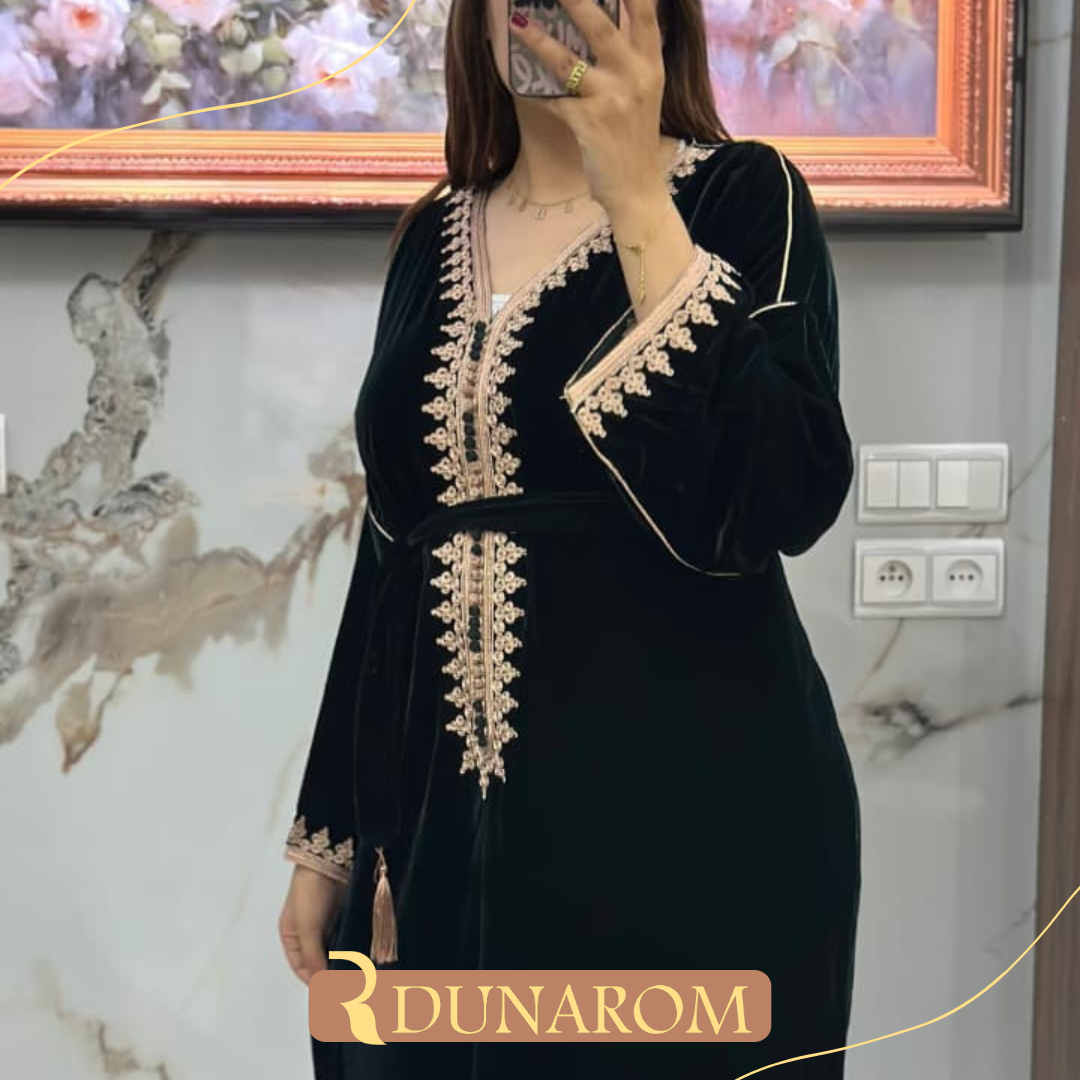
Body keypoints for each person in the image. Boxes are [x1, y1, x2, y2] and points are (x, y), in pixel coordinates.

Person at [278, 0, 861, 1075]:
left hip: (688, 812)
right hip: (435, 825)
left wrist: (635, 192)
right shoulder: (430, 238)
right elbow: (392, 547)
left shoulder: (744, 196)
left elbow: (781, 494)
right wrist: (331, 839)